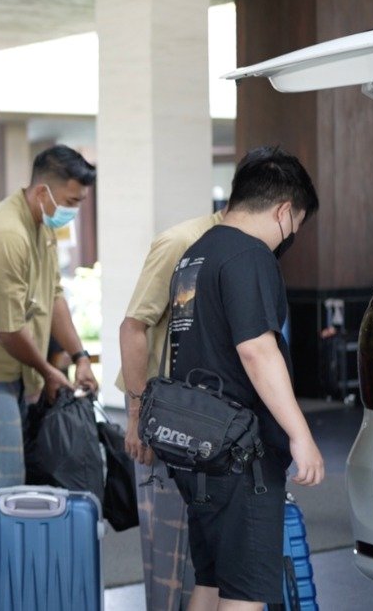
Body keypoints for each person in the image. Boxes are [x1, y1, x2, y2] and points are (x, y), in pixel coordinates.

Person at [161, 146, 324, 610]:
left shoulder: (196, 254)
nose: (290, 236)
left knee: (211, 581)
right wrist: (300, 435)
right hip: (240, 455)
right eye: (296, 226)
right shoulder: (250, 256)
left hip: (195, 446)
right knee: (247, 591)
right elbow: (256, 350)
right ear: (284, 210)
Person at [0, 145, 99, 505]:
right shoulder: (7, 237)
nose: (74, 211)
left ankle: (6, 561)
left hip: (14, 369)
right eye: (71, 201)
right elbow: (6, 329)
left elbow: (53, 295)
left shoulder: (40, 224)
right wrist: (47, 371)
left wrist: (80, 356)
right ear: (43, 192)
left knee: (12, 484)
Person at [118, 208, 225, 611]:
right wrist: (138, 420)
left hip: (208, 425)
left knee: (206, 567)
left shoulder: (239, 249)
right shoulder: (180, 243)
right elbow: (133, 327)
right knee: (169, 566)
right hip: (161, 420)